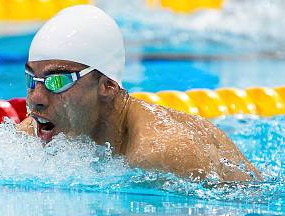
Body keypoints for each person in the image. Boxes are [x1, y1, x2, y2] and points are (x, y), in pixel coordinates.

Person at [17, 5, 262, 182]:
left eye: (57, 81)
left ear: (108, 86)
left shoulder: (161, 153)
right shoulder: (38, 131)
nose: (35, 98)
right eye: (32, 79)